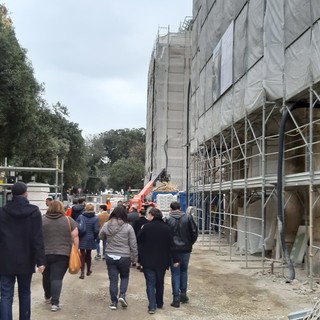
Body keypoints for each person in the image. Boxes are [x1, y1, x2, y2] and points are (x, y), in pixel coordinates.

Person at [0, 182, 46, 320]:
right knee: (25, 292)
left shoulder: (2, 212)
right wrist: (40, 261)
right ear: (26, 194)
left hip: (5, 259)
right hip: (26, 258)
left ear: (12, 194)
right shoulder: (34, 212)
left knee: (6, 294)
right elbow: (37, 237)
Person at [42, 200, 79, 312]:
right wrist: (76, 250)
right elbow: (75, 236)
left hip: (45, 253)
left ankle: (48, 295)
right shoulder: (68, 220)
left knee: (46, 276)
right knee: (56, 278)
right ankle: (55, 303)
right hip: (63, 254)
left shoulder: (42, 220)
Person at [99, 205, 138, 310]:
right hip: (124, 256)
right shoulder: (128, 227)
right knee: (124, 276)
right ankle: (122, 295)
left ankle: (113, 302)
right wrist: (135, 258)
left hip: (110, 255)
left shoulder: (107, 225)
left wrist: (108, 238)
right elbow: (133, 244)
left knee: (113, 279)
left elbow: (100, 236)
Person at [137, 208, 174, 314]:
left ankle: (152, 306)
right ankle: (160, 302)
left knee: (150, 283)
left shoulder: (146, 227)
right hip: (162, 260)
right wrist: (175, 258)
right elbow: (171, 244)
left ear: (152, 216)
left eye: (148, 215)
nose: (147, 217)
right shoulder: (166, 228)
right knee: (160, 282)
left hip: (148, 259)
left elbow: (138, 239)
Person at [166, 201, 198, 308]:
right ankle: (183, 294)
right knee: (184, 270)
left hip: (173, 250)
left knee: (175, 273)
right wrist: (189, 243)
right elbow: (194, 232)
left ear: (171, 209)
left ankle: (176, 299)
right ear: (180, 208)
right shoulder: (188, 217)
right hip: (185, 249)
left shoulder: (167, 219)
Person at [78, 203, 99, 279]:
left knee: (82, 255)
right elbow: (96, 230)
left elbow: (77, 227)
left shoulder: (81, 217)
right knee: (89, 255)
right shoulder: (95, 218)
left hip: (82, 237)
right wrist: (95, 237)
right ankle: (88, 270)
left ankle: (82, 272)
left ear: (85, 209)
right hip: (90, 238)